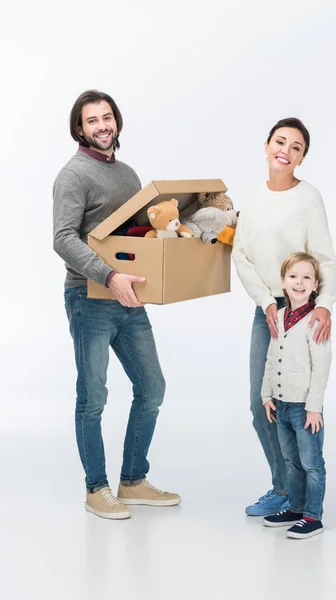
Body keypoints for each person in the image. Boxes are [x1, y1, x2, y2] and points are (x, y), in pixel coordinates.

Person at [53, 90, 180, 520]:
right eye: (92, 121)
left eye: (107, 117)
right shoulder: (72, 176)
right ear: (79, 128)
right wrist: (108, 275)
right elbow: (64, 238)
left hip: (129, 297)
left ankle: (132, 480)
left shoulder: (127, 174)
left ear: (117, 122)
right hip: (90, 297)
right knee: (93, 397)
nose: (102, 126)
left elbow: (134, 233)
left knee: (152, 387)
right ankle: (96, 489)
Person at [232, 118, 336, 517]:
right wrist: (266, 301)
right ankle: (283, 487)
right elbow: (240, 256)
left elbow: (326, 257)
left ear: (302, 157)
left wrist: (325, 303)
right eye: (280, 142)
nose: (286, 150)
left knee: (300, 402)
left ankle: (302, 497)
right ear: (266, 146)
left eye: (296, 147)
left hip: (305, 308)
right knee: (262, 403)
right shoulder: (253, 197)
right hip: (269, 310)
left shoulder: (309, 199)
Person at [261, 252, 330, 538]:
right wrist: (267, 394)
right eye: (293, 277)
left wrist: (314, 407)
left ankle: (313, 517)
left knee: (311, 463)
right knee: (291, 461)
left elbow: (322, 365)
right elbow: (271, 356)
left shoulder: (316, 320)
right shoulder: (278, 315)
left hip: (304, 407)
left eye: (306, 278)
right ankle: (296, 507)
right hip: (281, 404)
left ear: (315, 285)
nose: (299, 282)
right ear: (282, 282)